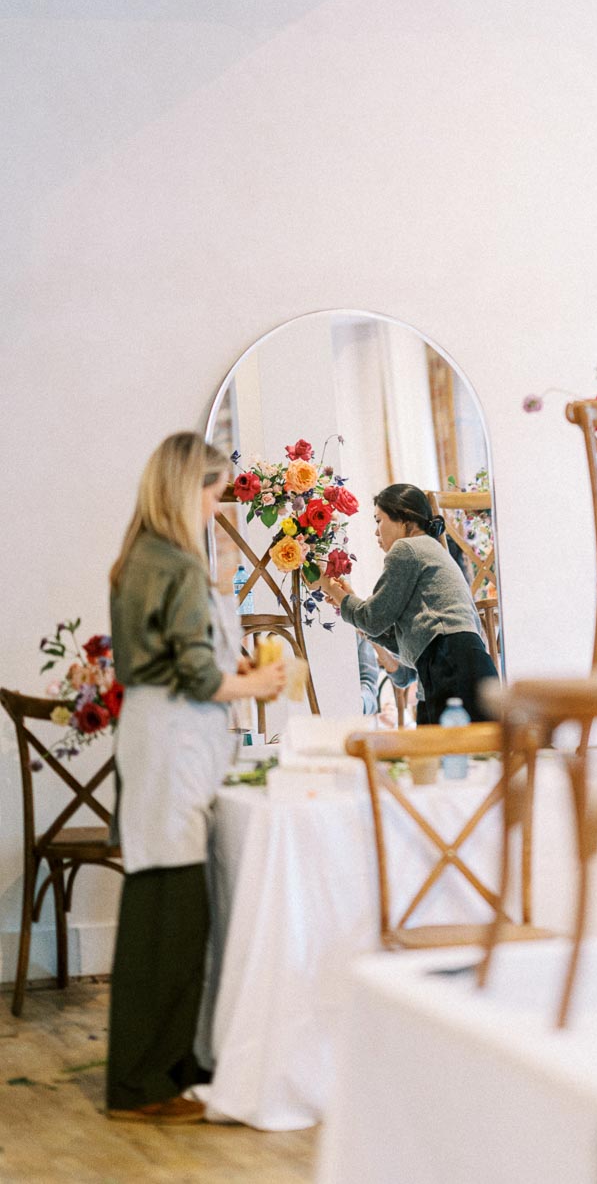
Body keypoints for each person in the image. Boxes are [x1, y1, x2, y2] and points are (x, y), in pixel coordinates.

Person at [105, 432, 286, 1124]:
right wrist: (258, 682)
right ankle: (145, 1082)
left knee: (162, 909)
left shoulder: (139, 557)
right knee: (172, 918)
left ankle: (162, 1070)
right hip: (174, 743)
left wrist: (228, 678)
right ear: (188, 489)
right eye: (213, 492)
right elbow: (196, 673)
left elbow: (178, 662)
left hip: (156, 738)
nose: (218, 506)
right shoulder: (177, 565)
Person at [319, 482, 497, 723]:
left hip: (448, 661)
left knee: (444, 754)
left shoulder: (406, 549)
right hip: (465, 660)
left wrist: (332, 589)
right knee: (472, 754)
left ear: (404, 518)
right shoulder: (430, 549)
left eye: (378, 520)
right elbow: (396, 638)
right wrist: (348, 602)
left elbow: (373, 620)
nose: (376, 532)